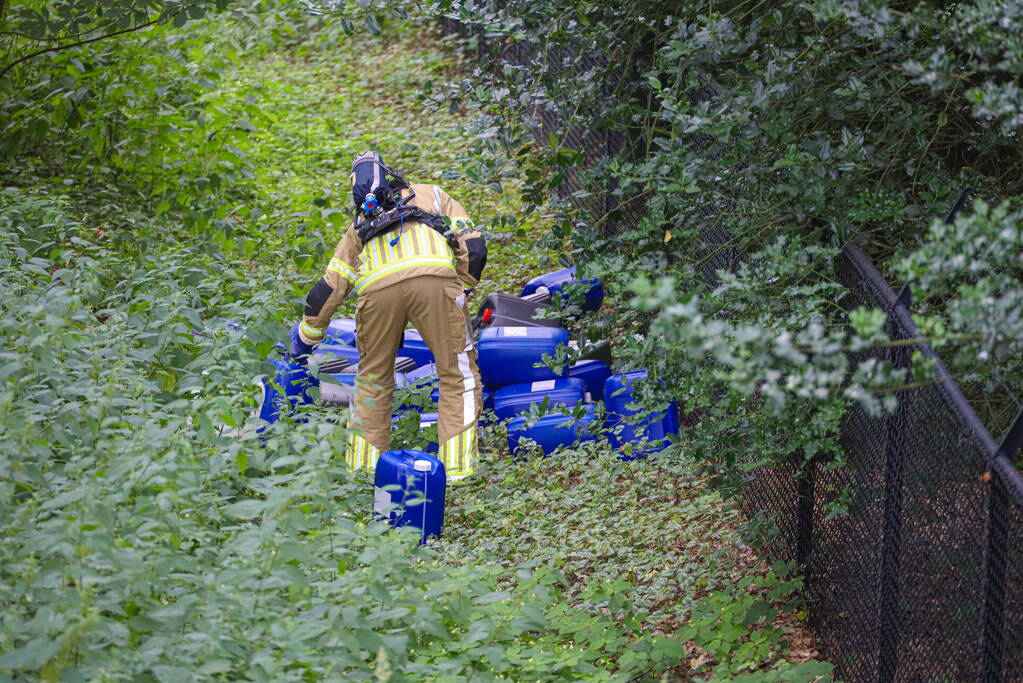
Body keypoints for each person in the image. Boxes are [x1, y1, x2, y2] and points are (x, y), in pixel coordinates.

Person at [290, 151, 487, 479]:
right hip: (435, 282)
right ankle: (458, 472)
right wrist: (459, 289)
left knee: (372, 382)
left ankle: (363, 474)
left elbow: (330, 288)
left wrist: (305, 337)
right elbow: (475, 247)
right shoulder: (434, 195)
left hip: (376, 295)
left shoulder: (358, 228)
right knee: (458, 375)